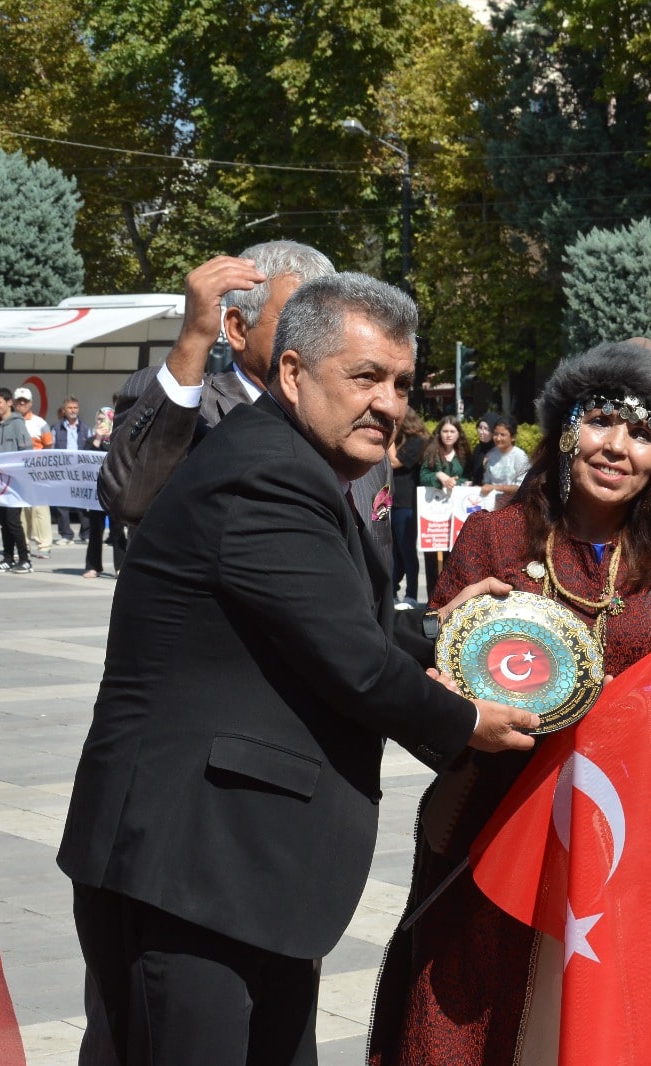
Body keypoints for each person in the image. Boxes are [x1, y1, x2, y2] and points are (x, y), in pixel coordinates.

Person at [57, 273, 539, 1065]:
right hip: (190, 868)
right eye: (366, 377)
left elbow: (306, 618)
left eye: (402, 383)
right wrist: (467, 723)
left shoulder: (291, 463)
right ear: (291, 373)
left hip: (238, 871)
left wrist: (426, 631)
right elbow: (347, 660)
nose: (391, 403)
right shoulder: (267, 473)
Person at [369, 339, 651, 1064]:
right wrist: (450, 689)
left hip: (619, 835)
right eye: (601, 421)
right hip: (487, 816)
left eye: (642, 433)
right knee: (468, 1014)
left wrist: (621, 720)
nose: (617, 447)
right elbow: (441, 669)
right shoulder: (494, 535)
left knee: (598, 1023)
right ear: (566, 429)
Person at [96, 240, 393, 559]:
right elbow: (129, 499)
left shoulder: (361, 434)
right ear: (237, 329)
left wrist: (454, 612)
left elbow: (374, 583)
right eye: (298, 322)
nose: (319, 340)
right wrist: (193, 342)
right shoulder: (183, 404)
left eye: (330, 326)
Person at [418, 415, 470, 595]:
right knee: (432, 555)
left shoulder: (464, 453)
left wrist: (459, 482)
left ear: (458, 434)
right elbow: (423, 476)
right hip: (434, 511)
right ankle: (433, 596)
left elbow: (470, 478)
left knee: (454, 554)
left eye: (452, 431)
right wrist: (439, 476)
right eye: (445, 431)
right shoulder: (431, 451)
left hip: (456, 511)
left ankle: (450, 594)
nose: (448, 435)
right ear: (439, 433)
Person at [0, 388, 33, 574]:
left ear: (9, 403)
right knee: (4, 521)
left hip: (15, 482)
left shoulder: (17, 424)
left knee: (13, 521)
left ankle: (25, 559)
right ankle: (7, 557)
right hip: (0, 482)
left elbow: (26, 452)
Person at [389, 409, 427, 606]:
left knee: (407, 550)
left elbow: (394, 461)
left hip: (407, 503)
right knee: (394, 550)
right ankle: (393, 591)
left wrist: (392, 433)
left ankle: (411, 594)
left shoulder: (417, 441)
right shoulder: (404, 439)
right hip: (393, 501)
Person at [14, 388, 54, 557]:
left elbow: (49, 446)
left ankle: (44, 546)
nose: (22, 404)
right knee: (21, 510)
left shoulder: (40, 423)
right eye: (19, 401)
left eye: (25, 401)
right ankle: (23, 545)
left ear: (30, 403)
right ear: (14, 403)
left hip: (37, 473)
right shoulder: (10, 422)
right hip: (18, 474)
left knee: (40, 510)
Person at [82, 407, 119, 579]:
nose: (101, 423)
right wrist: (97, 439)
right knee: (96, 530)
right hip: (96, 493)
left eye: (105, 419)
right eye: (99, 419)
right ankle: (93, 565)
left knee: (117, 530)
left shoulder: (118, 439)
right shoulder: (91, 440)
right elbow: (85, 460)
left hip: (115, 491)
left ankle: (120, 565)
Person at [50, 396, 89, 544]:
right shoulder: (56, 428)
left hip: (80, 471)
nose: (73, 411)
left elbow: (91, 449)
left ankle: (86, 534)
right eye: (70, 408)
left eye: (75, 408)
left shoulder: (85, 428)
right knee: (62, 504)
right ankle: (66, 535)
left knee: (82, 503)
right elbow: (51, 450)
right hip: (63, 470)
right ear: (64, 410)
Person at [479, 416, 528, 498]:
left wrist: (496, 487)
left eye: (503, 435)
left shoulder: (520, 456)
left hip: (513, 503)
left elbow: (523, 486)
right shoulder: (491, 455)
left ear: (513, 437)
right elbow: (487, 482)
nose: (498, 438)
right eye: (496, 434)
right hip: (492, 503)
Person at [466, 412, 497, 485]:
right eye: (480, 428)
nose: (481, 432)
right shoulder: (478, 449)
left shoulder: (498, 451)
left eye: (486, 429)